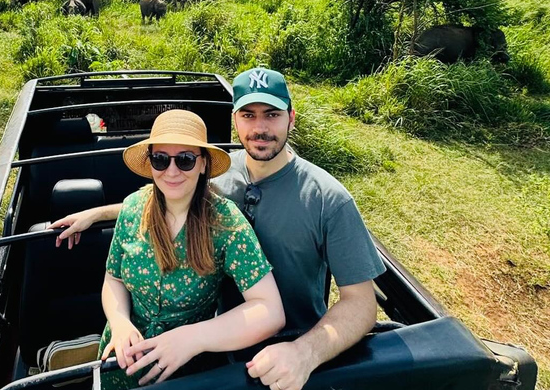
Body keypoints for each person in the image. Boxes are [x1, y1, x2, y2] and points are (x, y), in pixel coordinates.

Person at [49, 68, 386, 390]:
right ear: (235, 120)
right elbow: (166, 200)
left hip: (289, 355)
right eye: (248, 115)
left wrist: (305, 353)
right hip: (216, 348)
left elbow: (361, 304)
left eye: (272, 114)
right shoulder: (221, 175)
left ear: (291, 118)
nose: (260, 127)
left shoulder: (327, 199)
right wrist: (97, 213)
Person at [97, 109, 285, 389]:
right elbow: (113, 279)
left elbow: (270, 310)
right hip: (120, 362)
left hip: (189, 372)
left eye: (185, 160)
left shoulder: (225, 222)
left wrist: (193, 337)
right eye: (160, 160)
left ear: (202, 164)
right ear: (150, 163)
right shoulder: (133, 208)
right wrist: (120, 321)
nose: (171, 171)